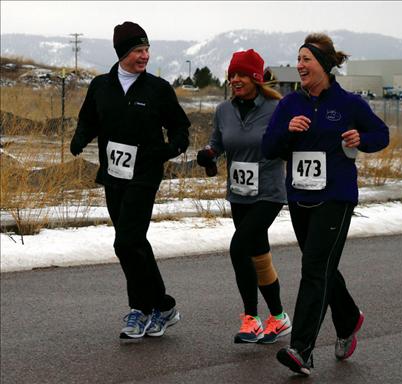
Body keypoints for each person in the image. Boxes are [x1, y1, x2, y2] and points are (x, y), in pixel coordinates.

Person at [262, 33, 389, 375]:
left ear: (325, 65)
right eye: (299, 59)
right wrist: (288, 130)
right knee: (322, 265)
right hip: (301, 196)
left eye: (307, 60)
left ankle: (301, 350)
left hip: (336, 197)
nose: (300, 66)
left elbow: (382, 135)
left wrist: (362, 138)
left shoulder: (349, 104)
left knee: (315, 269)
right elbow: (269, 148)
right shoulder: (289, 105)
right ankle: (348, 319)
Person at [70, 21, 190, 341]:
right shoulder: (101, 86)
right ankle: (161, 306)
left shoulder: (157, 89)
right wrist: (79, 139)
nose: (145, 55)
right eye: (138, 50)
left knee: (125, 240)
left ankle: (142, 309)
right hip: (114, 175)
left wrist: (169, 150)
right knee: (133, 244)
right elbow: (89, 119)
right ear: (122, 52)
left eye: (147, 49)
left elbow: (180, 128)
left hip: (145, 174)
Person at [196, 49, 292, 344]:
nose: (235, 80)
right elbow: (217, 143)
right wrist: (209, 154)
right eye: (232, 75)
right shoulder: (224, 110)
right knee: (258, 254)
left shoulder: (278, 108)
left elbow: (291, 142)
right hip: (239, 193)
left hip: (269, 192)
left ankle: (251, 319)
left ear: (256, 78)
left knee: (239, 248)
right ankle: (278, 317)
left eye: (241, 75)